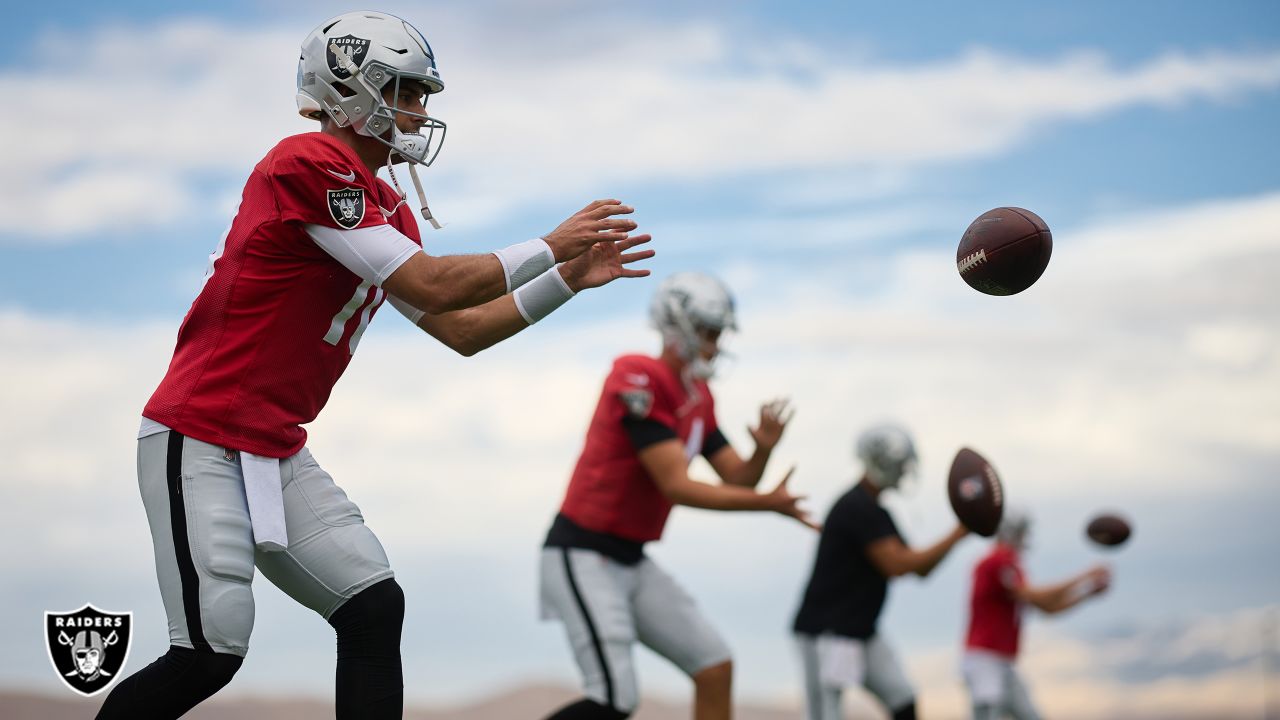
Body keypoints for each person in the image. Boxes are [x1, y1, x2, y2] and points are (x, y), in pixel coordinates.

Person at [96, 10, 653, 720]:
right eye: (406, 91)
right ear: (349, 89)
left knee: (371, 605)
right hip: (199, 435)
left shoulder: (386, 206)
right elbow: (434, 285)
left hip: (272, 444)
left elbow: (465, 330)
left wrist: (566, 278)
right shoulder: (305, 163)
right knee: (207, 654)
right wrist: (548, 243)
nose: (419, 111)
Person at [538, 272, 816, 720]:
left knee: (714, 665)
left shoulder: (698, 396)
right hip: (583, 552)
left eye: (718, 332)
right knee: (615, 696)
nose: (715, 343)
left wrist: (762, 451)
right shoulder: (637, 375)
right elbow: (677, 486)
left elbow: (737, 478)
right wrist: (767, 503)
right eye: (708, 331)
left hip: (630, 558)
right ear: (677, 325)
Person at [792, 424, 970, 720]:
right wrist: (959, 531)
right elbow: (898, 565)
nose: (903, 471)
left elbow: (918, 568)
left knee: (903, 700)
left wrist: (960, 532)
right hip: (827, 631)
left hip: (861, 630)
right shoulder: (855, 507)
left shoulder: (876, 511)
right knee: (826, 715)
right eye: (900, 464)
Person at [962, 510, 1111, 720]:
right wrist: (1084, 576)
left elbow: (1048, 607)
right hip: (985, 660)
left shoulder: (1010, 565)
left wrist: (1087, 593)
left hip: (1003, 662)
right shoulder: (996, 562)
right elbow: (1036, 596)